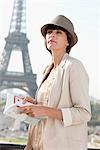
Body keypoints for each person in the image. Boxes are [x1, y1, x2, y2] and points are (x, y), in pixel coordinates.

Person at [18, 15, 91, 150]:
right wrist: (34, 105)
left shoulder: (74, 66)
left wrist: (44, 110)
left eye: (58, 32)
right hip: (37, 143)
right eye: (49, 32)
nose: (52, 35)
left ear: (67, 41)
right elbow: (50, 104)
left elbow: (84, 112)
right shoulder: (48, 69)